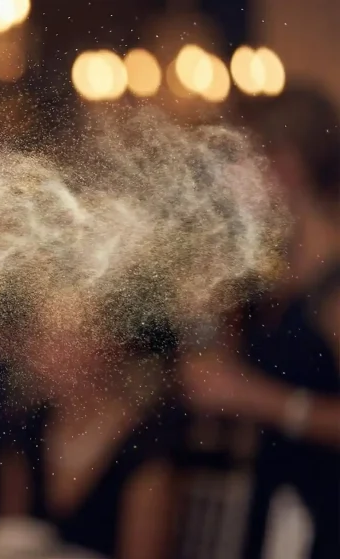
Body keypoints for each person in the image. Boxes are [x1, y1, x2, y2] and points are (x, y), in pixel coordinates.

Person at [181, 83, 340, 559]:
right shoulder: (271, 273)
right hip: (273, 511)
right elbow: (214, 380)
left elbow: (243, 391)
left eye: (239, 162)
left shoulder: (333, 286)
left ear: (287, 166)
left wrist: (256, 398)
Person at [0, 293, 182, 559]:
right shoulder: (27, 427)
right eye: (39, 334)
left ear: (112, 344)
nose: (43, 352)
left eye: (66, 336)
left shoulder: (146, 444)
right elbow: (10, 541)